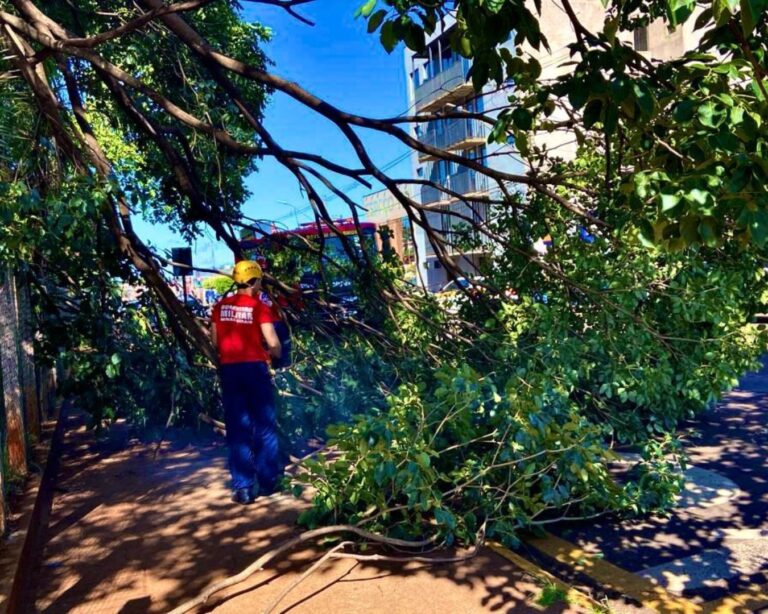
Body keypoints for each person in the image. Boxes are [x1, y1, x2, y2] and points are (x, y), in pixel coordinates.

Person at [211, 260, 282, 505]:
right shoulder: (259, 307)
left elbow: (214, 340)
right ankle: (269, 481)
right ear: (253, 281)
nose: (261, 285)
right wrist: (278, 354)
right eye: (260, 280)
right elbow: (272, 342)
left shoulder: (220, 307)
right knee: (264, 425)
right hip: (254, 369)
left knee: (238, 428)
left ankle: (242, 489)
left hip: (230, 371)